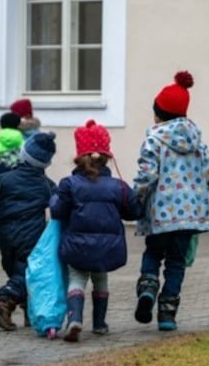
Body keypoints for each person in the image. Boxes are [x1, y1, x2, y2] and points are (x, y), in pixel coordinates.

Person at [132, 71, 209, 331]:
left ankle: (147, 288)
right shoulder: (198, 143)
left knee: (154, 252)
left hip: (161, 212)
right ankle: (167, 314)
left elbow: (147, 175)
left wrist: (137, 197)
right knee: (176, 263)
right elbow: (207, 175)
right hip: (191, 214)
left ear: (158, 114)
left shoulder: (154, 140)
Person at [50, 120, 142, 342]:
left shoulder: (69, 184)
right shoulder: (118, 186)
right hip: (107, 248)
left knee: (77, 278)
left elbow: (57, 212)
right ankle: (100, 324)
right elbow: (134, 211)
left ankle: (75, 318)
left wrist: (54, 198)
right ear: (107, 157)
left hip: (77, 246)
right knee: (101, 279)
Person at [0, 132, 57, 331]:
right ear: (46, 164)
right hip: (30, 236)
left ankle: (29, 312)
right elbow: (61, 200)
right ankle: (4, 302)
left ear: (22, 155)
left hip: (3, 235)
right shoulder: (46, 186)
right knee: (26, 274)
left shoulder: (5, 179)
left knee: (13, 269)